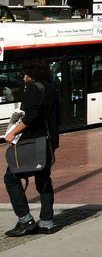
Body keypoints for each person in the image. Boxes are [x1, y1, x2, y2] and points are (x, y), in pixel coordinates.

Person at [3, 58, 60, 236]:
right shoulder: (51, 88)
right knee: (43, 180)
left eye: (25, 73)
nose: (23, 77)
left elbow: (31, 115)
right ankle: (47, 222)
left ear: (31, 74)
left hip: (31, 142)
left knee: (11, 178)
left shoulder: (34, 88)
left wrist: (12, 133)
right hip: (48, 142)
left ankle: (25, 219)